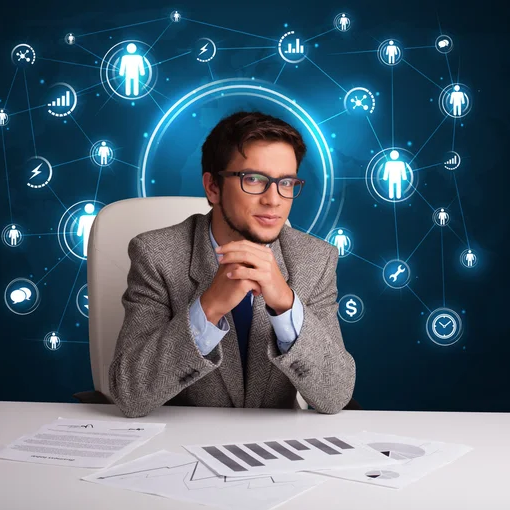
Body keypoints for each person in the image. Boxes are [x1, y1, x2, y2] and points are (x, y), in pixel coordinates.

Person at [109, 111, 356, 417]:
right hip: (181, 447)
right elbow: (129, 394)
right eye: (254, 179)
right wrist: (208, 308)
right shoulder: (156, 255)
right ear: (213, 187)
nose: (274, 199)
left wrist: (286, 304)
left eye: (287, 182)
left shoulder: (315, 261)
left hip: (275, 450)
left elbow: (335, 396)